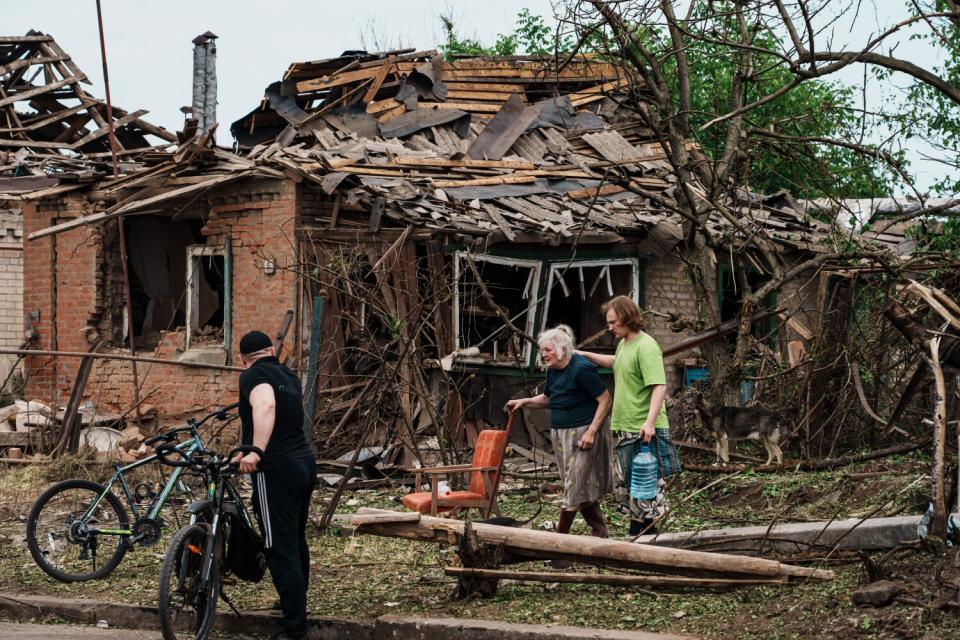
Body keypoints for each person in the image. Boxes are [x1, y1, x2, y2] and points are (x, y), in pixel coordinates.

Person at [233, 330, 317, 640]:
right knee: (294, 539)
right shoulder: (290, 377)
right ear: (272, 350)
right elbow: (281, 419)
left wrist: (256, 451)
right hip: (305, 464)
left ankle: (295, 628)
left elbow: (265, 406)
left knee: (278, 546)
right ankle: (293, 604)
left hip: (276, 469)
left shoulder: (253, 375)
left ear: (243, 359)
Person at [577, 296, 681, 537]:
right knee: (629, 487)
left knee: (646, 487)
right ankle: (638, 536)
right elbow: (616, 362)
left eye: (613, 322)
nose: (609, 327)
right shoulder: (625, 344)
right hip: (626, 426)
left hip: (643, 429)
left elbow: (659, 386)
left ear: (627, 317)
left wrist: (649, 422)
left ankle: (647, 538)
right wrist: (581, 354)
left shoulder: (646, 347)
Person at [506, 325, 613, 537]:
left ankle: (559, 537)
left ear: (563, 349)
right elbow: (548, 398)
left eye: (547, 350)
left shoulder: (581, 369)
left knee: (573, 485)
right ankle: (599, 530)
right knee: (576, 483)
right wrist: (524, 401)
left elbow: (605, 400)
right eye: (542, 350)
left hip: (583, 433)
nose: (543, 354)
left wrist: (591, 431)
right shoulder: (554, 371)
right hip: (561, 434)